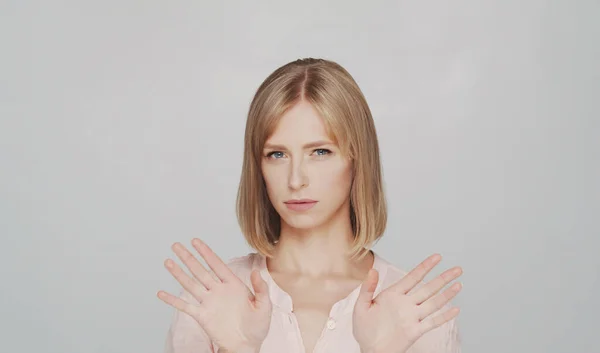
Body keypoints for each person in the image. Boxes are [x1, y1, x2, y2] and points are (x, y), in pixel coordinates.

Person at [157, 58, 463, 353]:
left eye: (320, 152)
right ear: (258, 167)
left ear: (357, 158)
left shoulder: (415, 313)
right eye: (277, 154)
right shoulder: (213, 300)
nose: (296, 179)